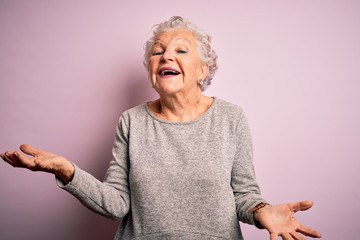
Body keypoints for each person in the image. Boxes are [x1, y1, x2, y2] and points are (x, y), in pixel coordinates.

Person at [1, 16, 321, 240]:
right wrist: (65, 170)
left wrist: (261, 211)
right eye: (158, 51)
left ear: (203, 70)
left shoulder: (231, 118)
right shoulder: (131, 122)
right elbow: (116, 203)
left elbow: (244, 195)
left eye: (181, 50)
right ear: (152, 70)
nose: (166, 55)